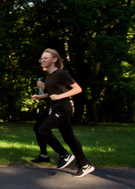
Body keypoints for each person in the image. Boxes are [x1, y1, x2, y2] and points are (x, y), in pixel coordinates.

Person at [30, 48, 95, 177]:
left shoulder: (61, 73)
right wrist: (41, 96)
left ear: (54, 60)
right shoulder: (49, 74)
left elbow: (77, 89)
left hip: (63, 107)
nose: (42, 60)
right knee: (69, 137)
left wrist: (59, 97)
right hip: (56, 106)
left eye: (45, 58)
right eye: (41, 58)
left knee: (43, 130)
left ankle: (64, 155)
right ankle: (85, 164)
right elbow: (53, 92)